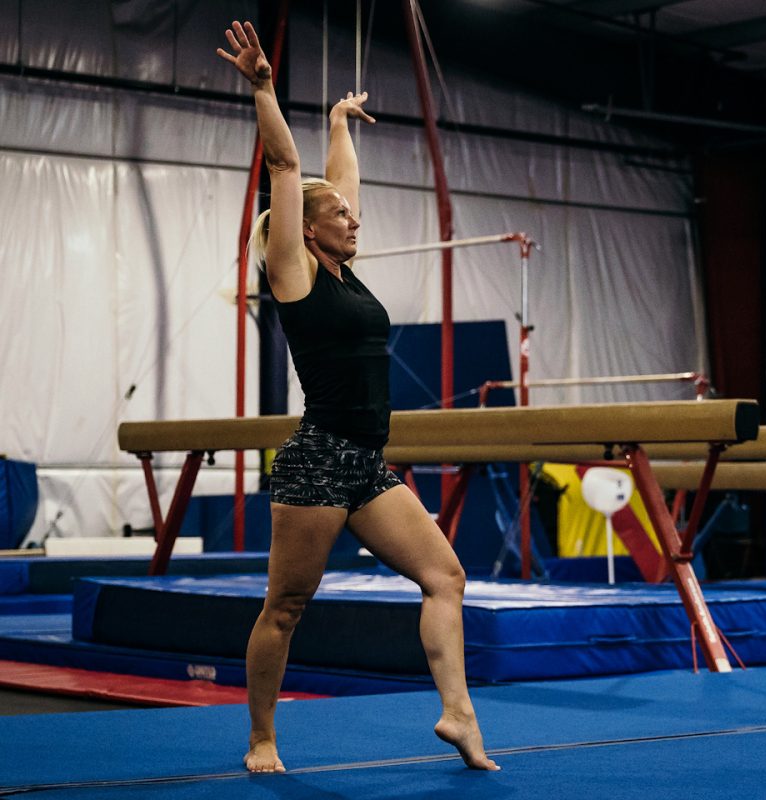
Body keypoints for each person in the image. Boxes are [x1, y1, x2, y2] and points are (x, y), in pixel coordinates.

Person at [217, 20, 498, 774]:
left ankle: (458, 714)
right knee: (286, 607)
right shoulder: (294, 274)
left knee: (446, 577)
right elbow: (286, 162)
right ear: (305, 232)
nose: (353, 215)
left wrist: (341, 121)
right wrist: (265, 88)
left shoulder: (341, 267)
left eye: (350, 211)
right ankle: (262, 738)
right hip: (316, 462)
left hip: (368, 463)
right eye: (339, 215)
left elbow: (336, 181)